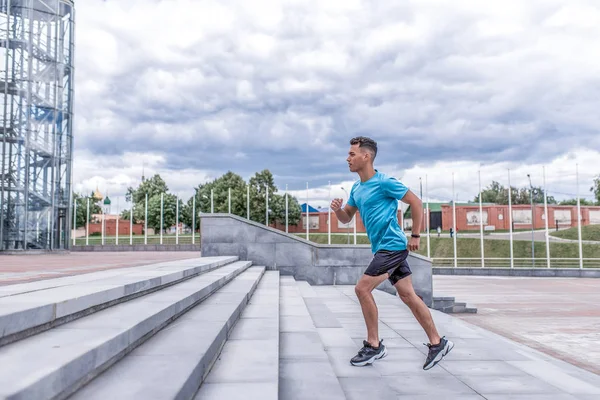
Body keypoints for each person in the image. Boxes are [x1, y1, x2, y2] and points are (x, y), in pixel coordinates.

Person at [330, 136, 453, 370]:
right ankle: (438, 342)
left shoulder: (385, 182)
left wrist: (415, 235)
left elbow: (416, 202)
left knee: (362, 288)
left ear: (366, 156)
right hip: (382, 248)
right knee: (407, 295)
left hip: (392, 246)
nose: (348, 158)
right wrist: (337, 211)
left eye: (352, 154)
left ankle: (374, 346)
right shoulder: (357, 188)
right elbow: (347, 217)